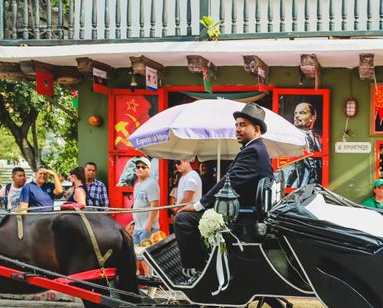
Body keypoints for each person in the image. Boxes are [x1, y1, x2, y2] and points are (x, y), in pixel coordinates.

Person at [175, 102, 274, 280]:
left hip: (242, 218)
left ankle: (198, 271)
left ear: (256, 129)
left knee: (183, 220)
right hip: (243, 213)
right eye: (236, 125)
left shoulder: (253, 151)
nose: (237, 129)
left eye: (243, 125)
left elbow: (230, 182)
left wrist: (199, 205)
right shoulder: (256, 150)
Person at [285, 102, 322, 188]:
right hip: (301, 184)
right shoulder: (293, 135)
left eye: (302, 113)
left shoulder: (314, 136)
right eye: (295, 113)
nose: (297, 116)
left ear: (312, 118)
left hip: (308, 184)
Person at [131, 157, 160, 246]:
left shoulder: (152, 184)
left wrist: (149, 224)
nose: (140, 169)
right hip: (137, 228)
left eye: (144, 167)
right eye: (138, 167)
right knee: (137, 256)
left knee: (146, 257)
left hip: (148, 229)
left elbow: (155, 205)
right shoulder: (137, 185)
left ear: (149, 170)